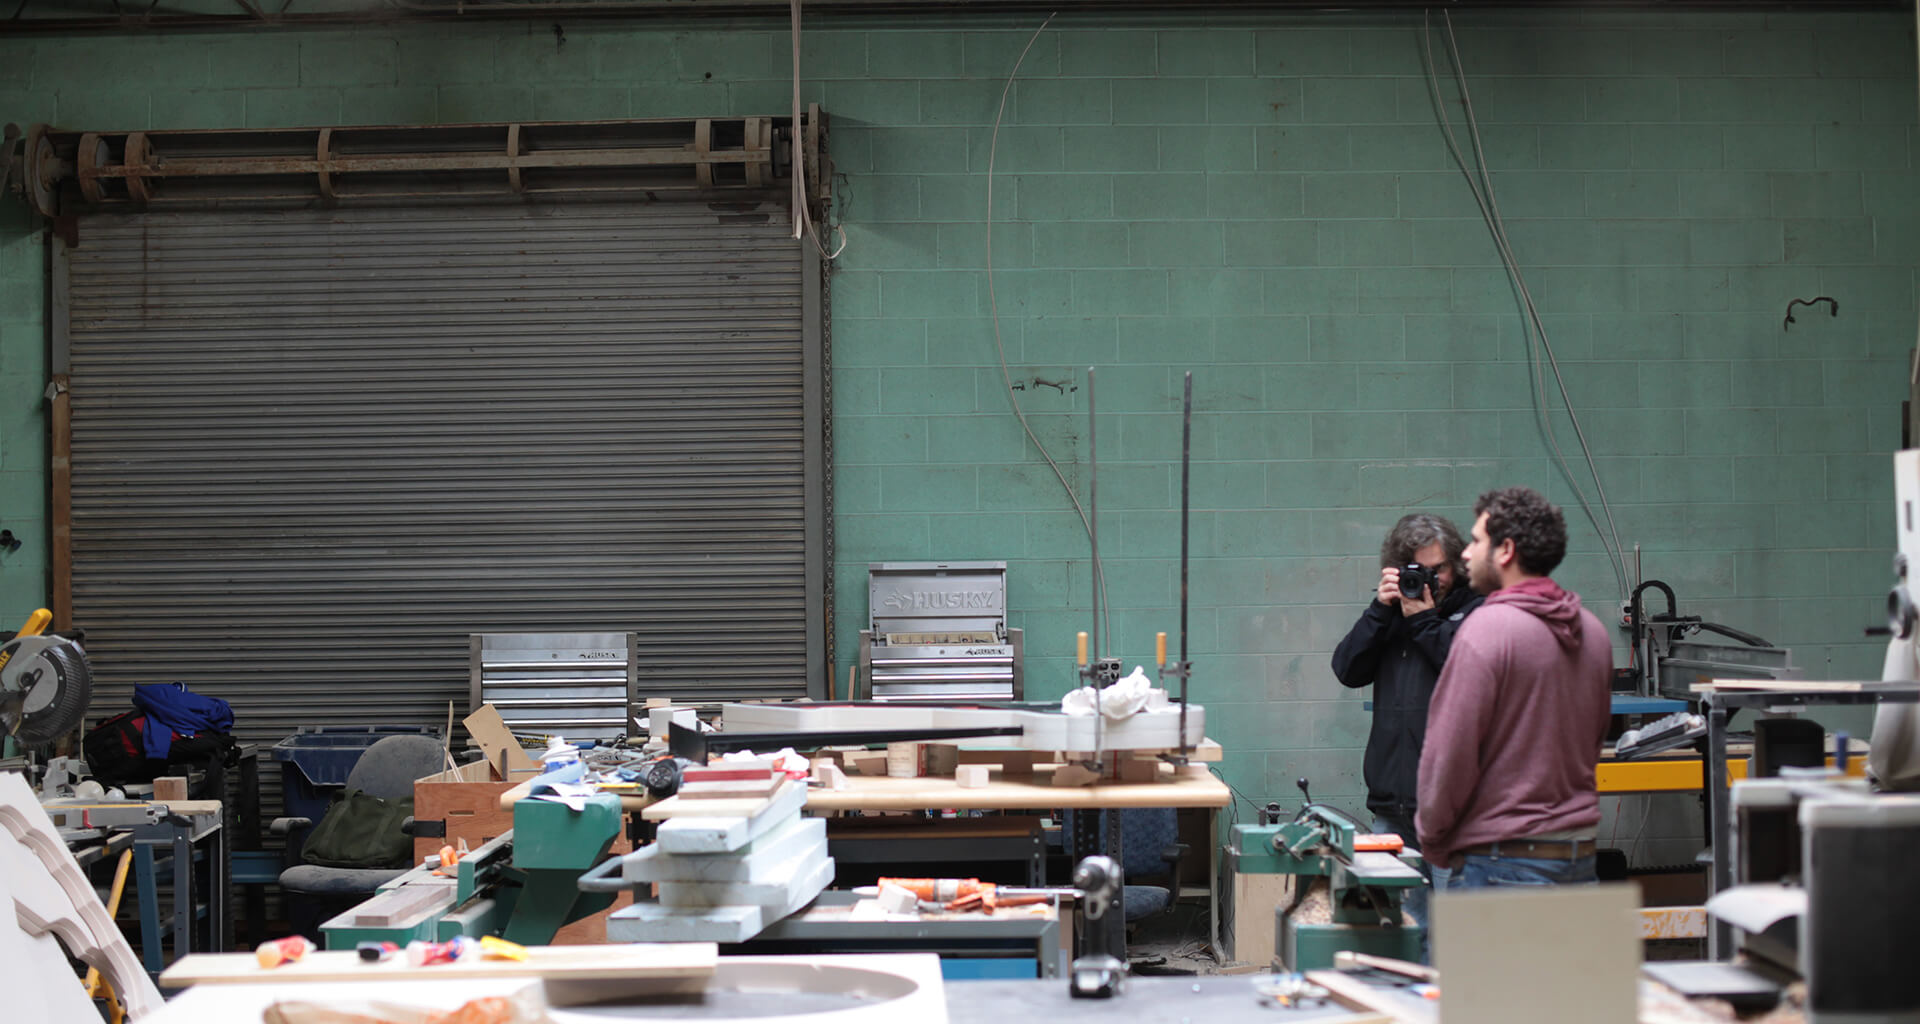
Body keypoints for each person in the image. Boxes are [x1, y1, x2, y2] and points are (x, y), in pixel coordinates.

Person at [1416, 487, 1612, 890]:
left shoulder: (1487, 630)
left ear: (1505, 550)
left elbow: (1449, 755)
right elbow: (1594, 744)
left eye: (1476, 541)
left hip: (1501, 865)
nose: (1466, 553)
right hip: (1580, 861)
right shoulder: (1593, 632)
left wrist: (1432, 838)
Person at [1331, 512, 1482, 928]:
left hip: (1455, 811)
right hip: (1393, 807)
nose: (1431, 580)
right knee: (1403, 931)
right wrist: (1380, 611)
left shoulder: (1477, 611)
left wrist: (1423, 620)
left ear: (1457, 564)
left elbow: (1466, 670)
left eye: (1440, 569)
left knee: (1458, 932)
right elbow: (1347, 669)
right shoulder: (1391, 616)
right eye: (1419, 570)